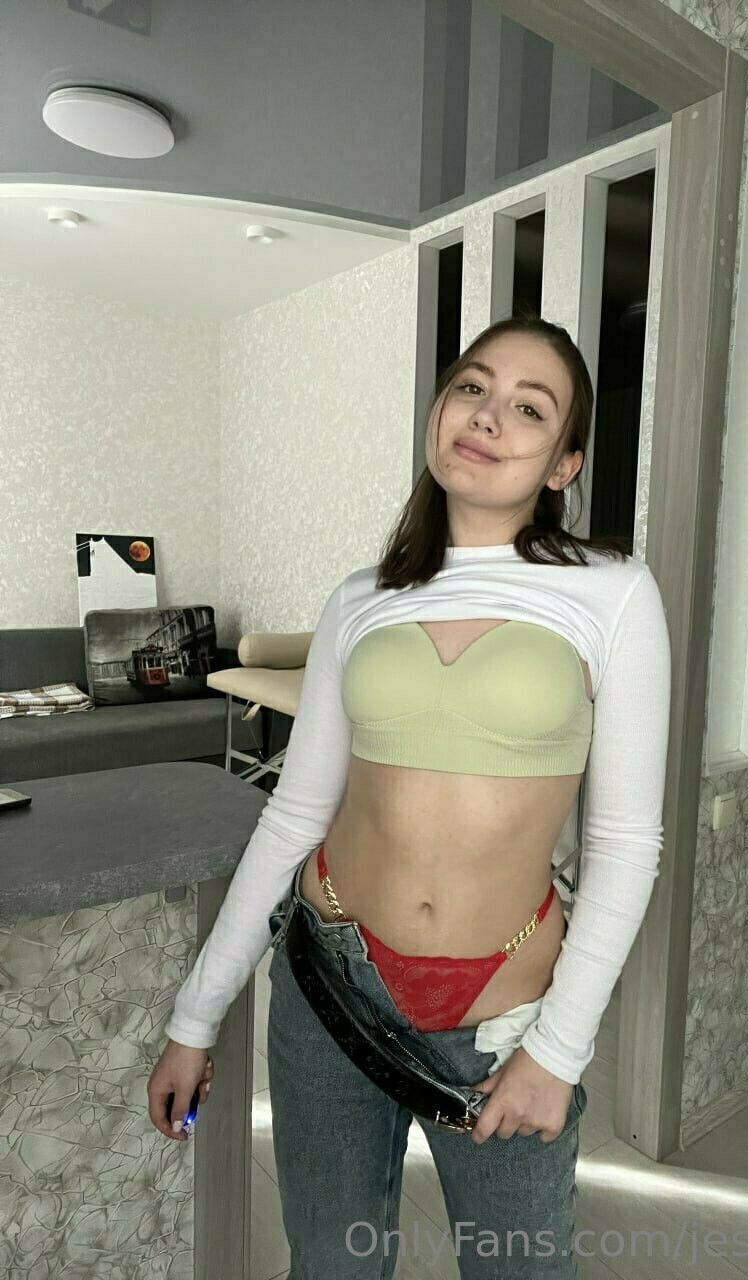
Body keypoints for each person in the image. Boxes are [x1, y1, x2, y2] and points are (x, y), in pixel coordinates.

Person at [147, 313, 672, 1278]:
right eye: (471, 387)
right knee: (330, 1266)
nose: (487, 416)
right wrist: (194, 1018)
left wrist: (558, 1052)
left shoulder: (612, 592)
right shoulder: (363, 598)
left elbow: (627, 844)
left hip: (500, 1017)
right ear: (439, 411)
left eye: (530, 408)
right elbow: (296, 815)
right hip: (329, 978)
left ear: (564, 464)